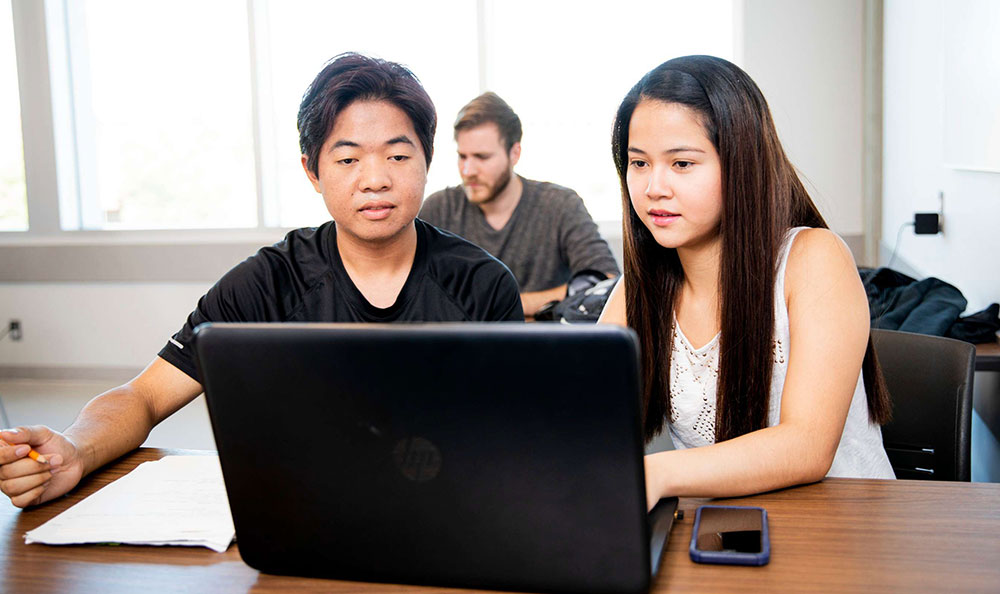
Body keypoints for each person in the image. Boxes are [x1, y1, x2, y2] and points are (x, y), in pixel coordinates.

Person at [0, 53, 523, 508]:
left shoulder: (480, 283)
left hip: (443, 511)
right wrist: (74, 450)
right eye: (347, 158)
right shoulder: (266, 283)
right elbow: (144, 397)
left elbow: (512, 435)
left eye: (398, 155)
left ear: (427, 162)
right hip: (301, 517)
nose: (375, 178)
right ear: (312, 171)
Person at [599, 55, 894, 506]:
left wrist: (655, 473)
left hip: (844, 530)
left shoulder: (814, 259)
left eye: (681, 164)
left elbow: (807, 447)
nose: (653, 187)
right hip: (724, 530)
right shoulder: (638, 290)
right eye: (638, 163)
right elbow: (581, 417)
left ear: (742, 162)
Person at [419, 92, 620, 317]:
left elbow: (607, 283)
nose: (468, 171)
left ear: (515, 153)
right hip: (462, 348)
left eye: (482, 157)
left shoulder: (559, 205)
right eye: (462, 157)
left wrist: (504, 304)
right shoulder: (439, 209)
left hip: (544, 347)